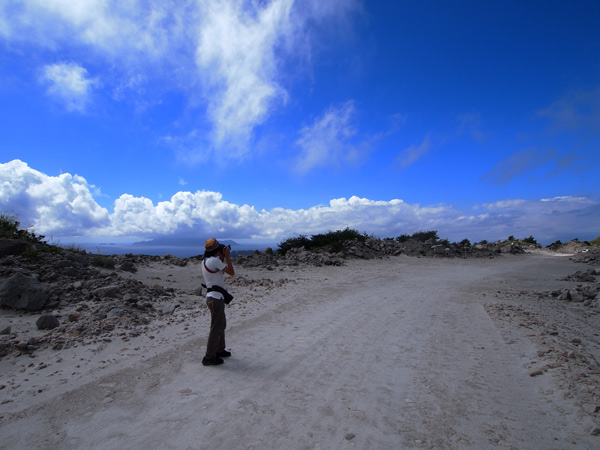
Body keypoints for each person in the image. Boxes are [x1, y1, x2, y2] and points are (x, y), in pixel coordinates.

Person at [201, 238, 235, 366]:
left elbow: (218, 272)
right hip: (216, 298)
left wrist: (222, 257)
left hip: (214, 297)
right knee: (216, 328)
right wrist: (227, 257)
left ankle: (219, 349)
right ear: (217, 250)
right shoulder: (215, 261)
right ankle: (209, 356)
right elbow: (231, 272)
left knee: (221, 324)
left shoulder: (206, 261)